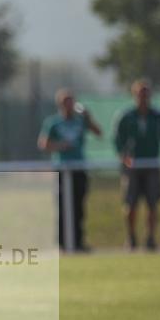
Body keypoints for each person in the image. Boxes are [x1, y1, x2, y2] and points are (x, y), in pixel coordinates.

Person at [38, 88, 102, 252]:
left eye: (71, 101)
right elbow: (43, 144)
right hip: (62, 169)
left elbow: (98, 133)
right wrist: (60, 146)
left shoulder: (80, 120)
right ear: (60, 104)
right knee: (63, 206)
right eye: (65, 102)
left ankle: (78, 242)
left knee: (79, 206)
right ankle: (63, 243)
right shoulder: (53, 122)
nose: (68, 105)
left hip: (79, 168)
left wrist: (89, 118)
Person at [114, 80, 160, 251]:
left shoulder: (158, 117)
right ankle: (131, 237)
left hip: (152, 165)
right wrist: (124, 156)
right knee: (130, 204)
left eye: (146, 94)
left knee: (152, 204)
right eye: (140, 94)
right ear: (135, 95)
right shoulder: (126, 116)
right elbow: (118, 140)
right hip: (132, 167)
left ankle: (151, 238)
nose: (143, 98)